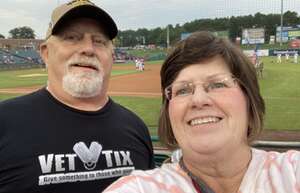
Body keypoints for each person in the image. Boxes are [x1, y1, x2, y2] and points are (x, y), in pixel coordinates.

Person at [103, 31, 300, 193]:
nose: (198, 100)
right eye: (183, 90)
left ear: (249, 100)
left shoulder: (292, 172)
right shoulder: (140, 188)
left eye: (217, 84)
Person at [0, 0, 154, 193]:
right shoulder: (5, 121)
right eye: (72, 37)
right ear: (46, 53)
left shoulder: (135, 127)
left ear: (111, 56)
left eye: (99, 41)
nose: (88, 49)